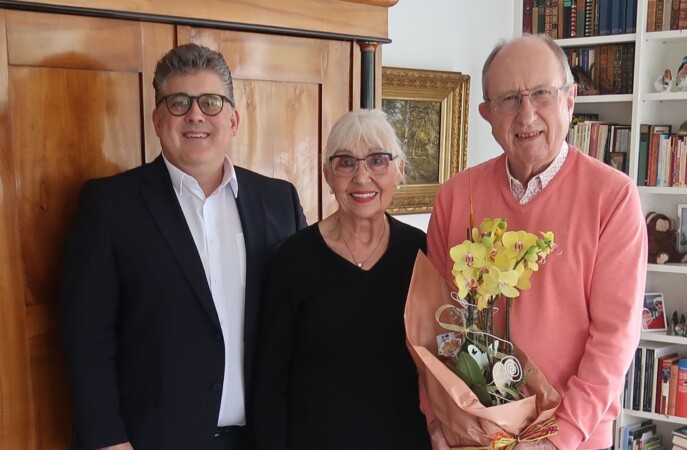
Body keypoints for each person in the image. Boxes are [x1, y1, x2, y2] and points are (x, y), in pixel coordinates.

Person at [60, 43, 307, 450]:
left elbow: (297, 322)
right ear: (158, 120)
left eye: (211, 102)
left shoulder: (278, 199)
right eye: (179, 103)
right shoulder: (109, 205)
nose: (196, 115)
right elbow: (87, 337)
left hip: (263, 437)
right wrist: (107, 440)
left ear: (233, 119)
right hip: (151, 438)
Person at [425, 35, 647, 450]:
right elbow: (434, 324)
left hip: (572, 439)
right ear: (487, 114)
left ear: (570, 99)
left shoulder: (612, 197)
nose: (526, 116)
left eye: (541, 94)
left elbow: (614, 337)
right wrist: (438, 418)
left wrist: (556, 439)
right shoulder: (456, 197)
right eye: (509, 99)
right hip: (470, 433)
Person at [252, 109, 431, 450]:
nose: (362, 177)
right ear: (327, 176)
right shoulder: (292, 259)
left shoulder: (420, 251)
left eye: (378, 160)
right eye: (346, 163)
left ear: (400, 171)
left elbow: (437, 363)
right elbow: (269, 380)